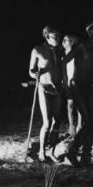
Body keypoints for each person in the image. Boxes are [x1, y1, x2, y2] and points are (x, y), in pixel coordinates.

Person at [60, 22, 93, 167]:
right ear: (92, 34)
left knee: (92, 122)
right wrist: (68, 82)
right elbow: (65, 61)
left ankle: (85, 155)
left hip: (90, 87)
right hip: (78, 87)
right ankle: (73, 151)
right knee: (89, 121)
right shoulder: (81, 46)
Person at [29, 26, 64, 162]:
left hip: (58, 88)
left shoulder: (60, 50)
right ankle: (41, 152)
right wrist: (35, 73)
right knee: (47, 122)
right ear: (46, 37)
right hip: (44, 88)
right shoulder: (37, 50)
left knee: (57, 122)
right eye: (55, 37)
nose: (57, 40)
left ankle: (52, 152)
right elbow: (30, 71)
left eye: (58, 37)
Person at [62, 34, 82, 137]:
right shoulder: (63, 54)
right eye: (63, 40)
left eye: (67, 40)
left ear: (72, 42)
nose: (63, 41)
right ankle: (71, 126)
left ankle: (79, 126)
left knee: (79, 105)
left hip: (76, 82)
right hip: (67, 83)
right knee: (70, 105)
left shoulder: (76, 53)